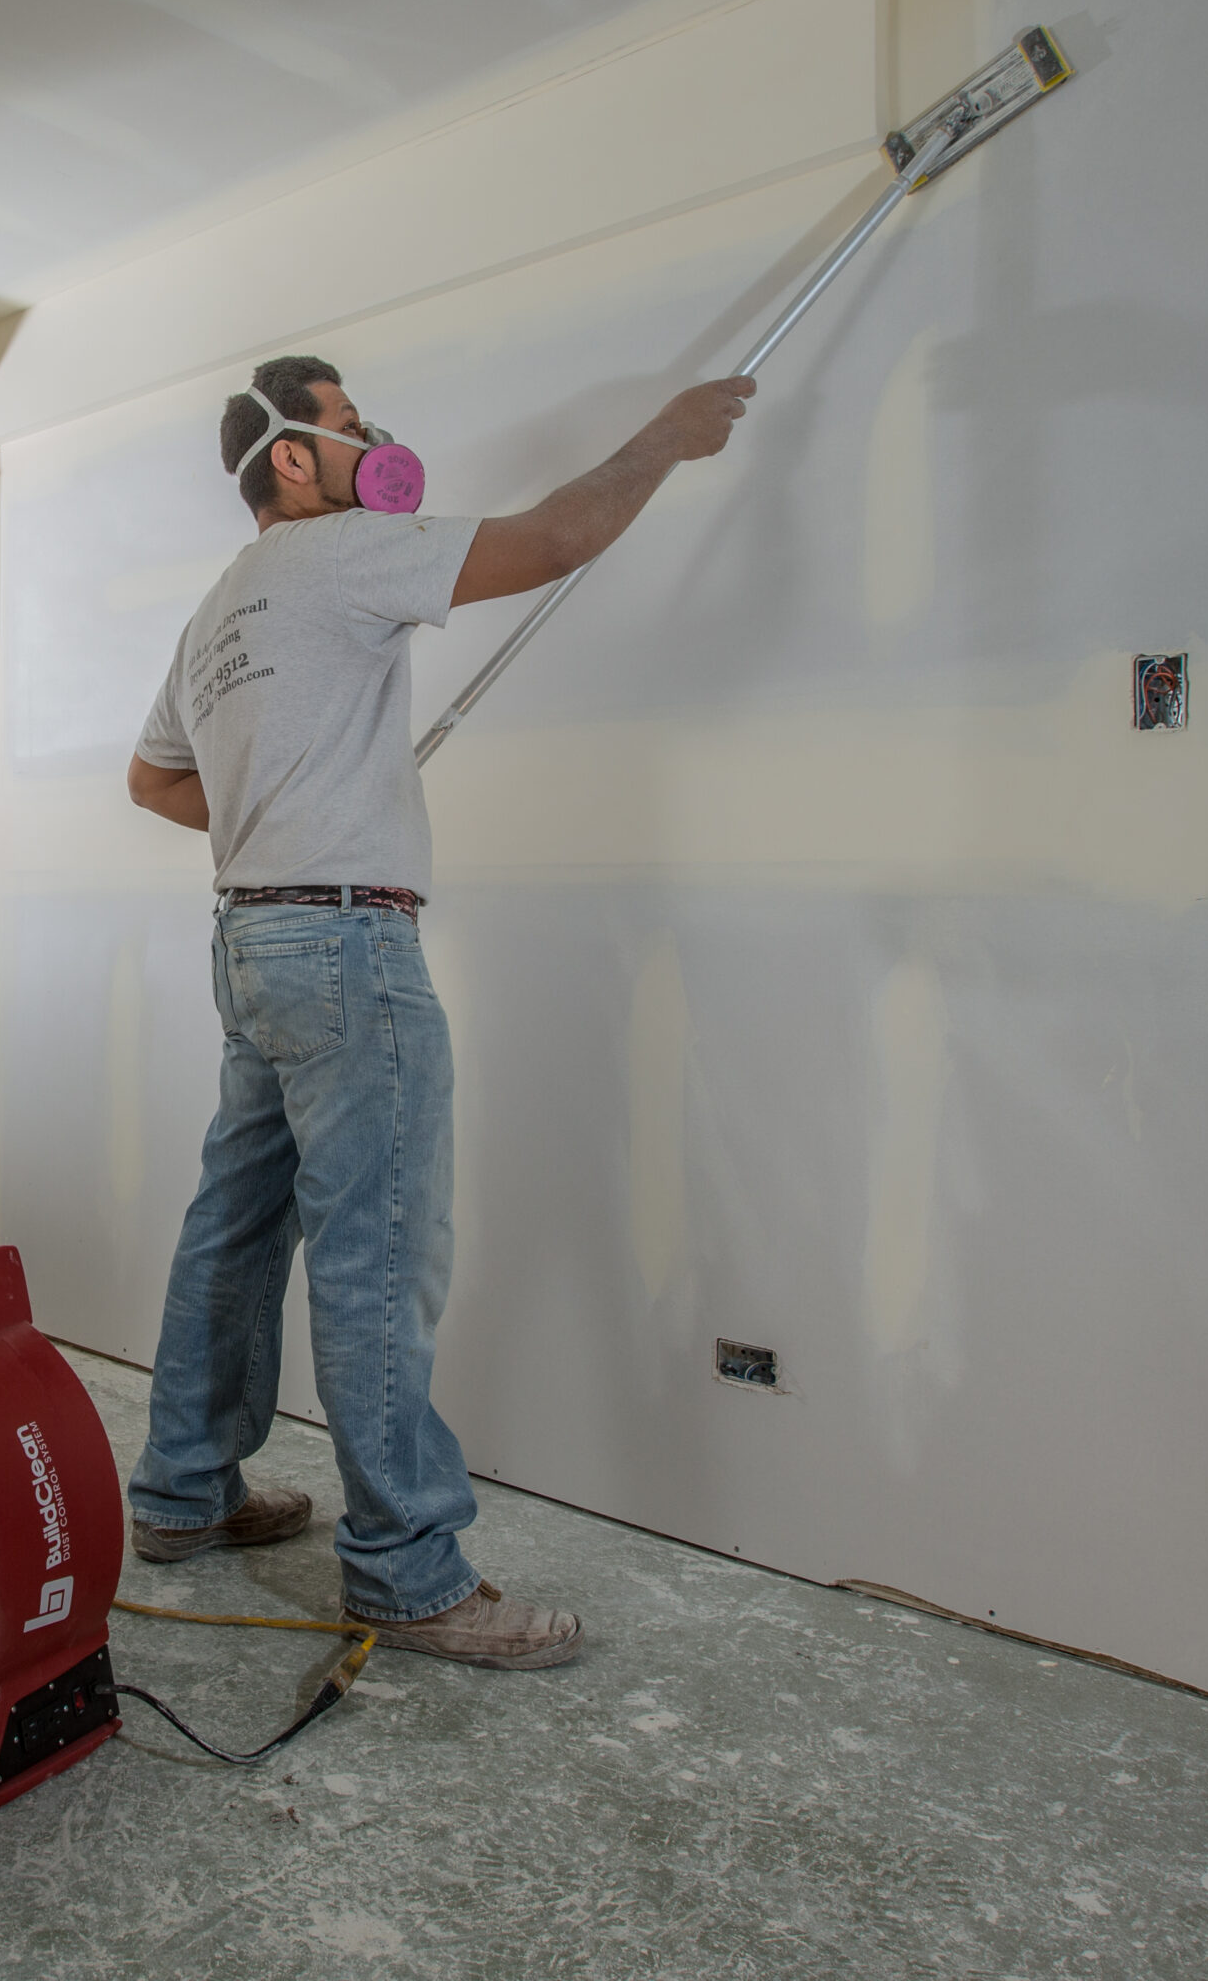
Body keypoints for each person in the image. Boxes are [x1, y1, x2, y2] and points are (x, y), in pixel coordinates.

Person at [123, 352, 754, 1666]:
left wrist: (278, 809)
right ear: (293, 459)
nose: (376, 441)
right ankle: (406, 1572)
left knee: (233, 1227)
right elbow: (561, 536)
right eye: (352, 424)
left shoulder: (224, 605)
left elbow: (152, 778)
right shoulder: (344, 550)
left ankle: (183, 1490)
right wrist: (666, 435)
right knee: (377, 1249)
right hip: (349, 949)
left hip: (252, 941)